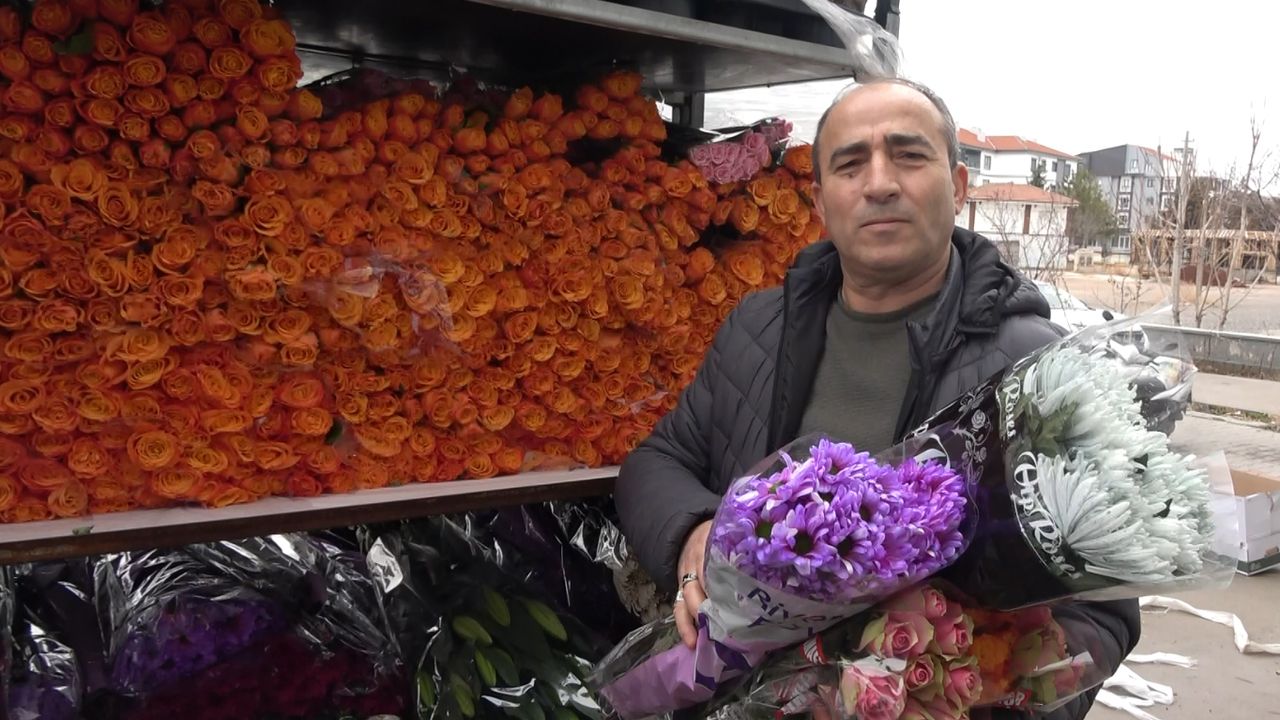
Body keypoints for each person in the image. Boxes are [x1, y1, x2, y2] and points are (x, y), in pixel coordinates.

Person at [613, 78, 1139, 719]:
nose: (880, 183)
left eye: (909, 156)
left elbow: (1102, 612)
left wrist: (963, 691)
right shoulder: (758, 331)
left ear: (959, 185)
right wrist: (694, 536)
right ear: (820, 199)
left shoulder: (1037, 370)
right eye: (850, 163)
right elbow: (656, 462)